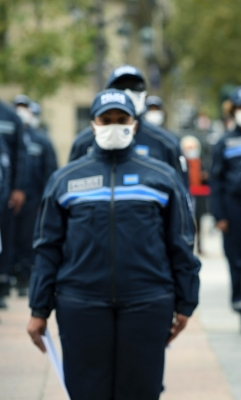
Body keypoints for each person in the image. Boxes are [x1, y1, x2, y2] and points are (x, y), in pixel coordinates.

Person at [26, 89, 200, 400]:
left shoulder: (162, 177)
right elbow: (47, 248)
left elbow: (182, 242)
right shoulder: (66, 180)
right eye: (106, 119)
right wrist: (39, 308)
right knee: (86, 391)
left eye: (122, 119)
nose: (114, 125)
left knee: (141, 390)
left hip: (147, 302)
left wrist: (186, 301)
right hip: (81, 303)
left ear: (134, 123)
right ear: (93, 124)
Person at [69, 65, 188, 186]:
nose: (128, 92)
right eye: (120, 87)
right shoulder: (82, 143)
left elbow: (180, 190)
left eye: (135, 87)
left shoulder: (166, 143)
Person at [210, 85, 241, 333]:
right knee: (238, 261)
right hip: (233, 210)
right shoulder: (224, 142)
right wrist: (218, 215)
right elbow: (216, 179)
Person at [12, 96, 58, 297]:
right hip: (9, 199)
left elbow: (50, 172)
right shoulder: (11, 137)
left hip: (33, 200)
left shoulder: (42, 141)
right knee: (10, 239)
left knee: (27, 240)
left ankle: (24, 278)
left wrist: (45, 202)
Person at [0, 98, 26, 309]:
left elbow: (20, 155)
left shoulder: (11, 117)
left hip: (5, 194)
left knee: (6, 239)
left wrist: (18, 188)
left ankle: (2, 283)